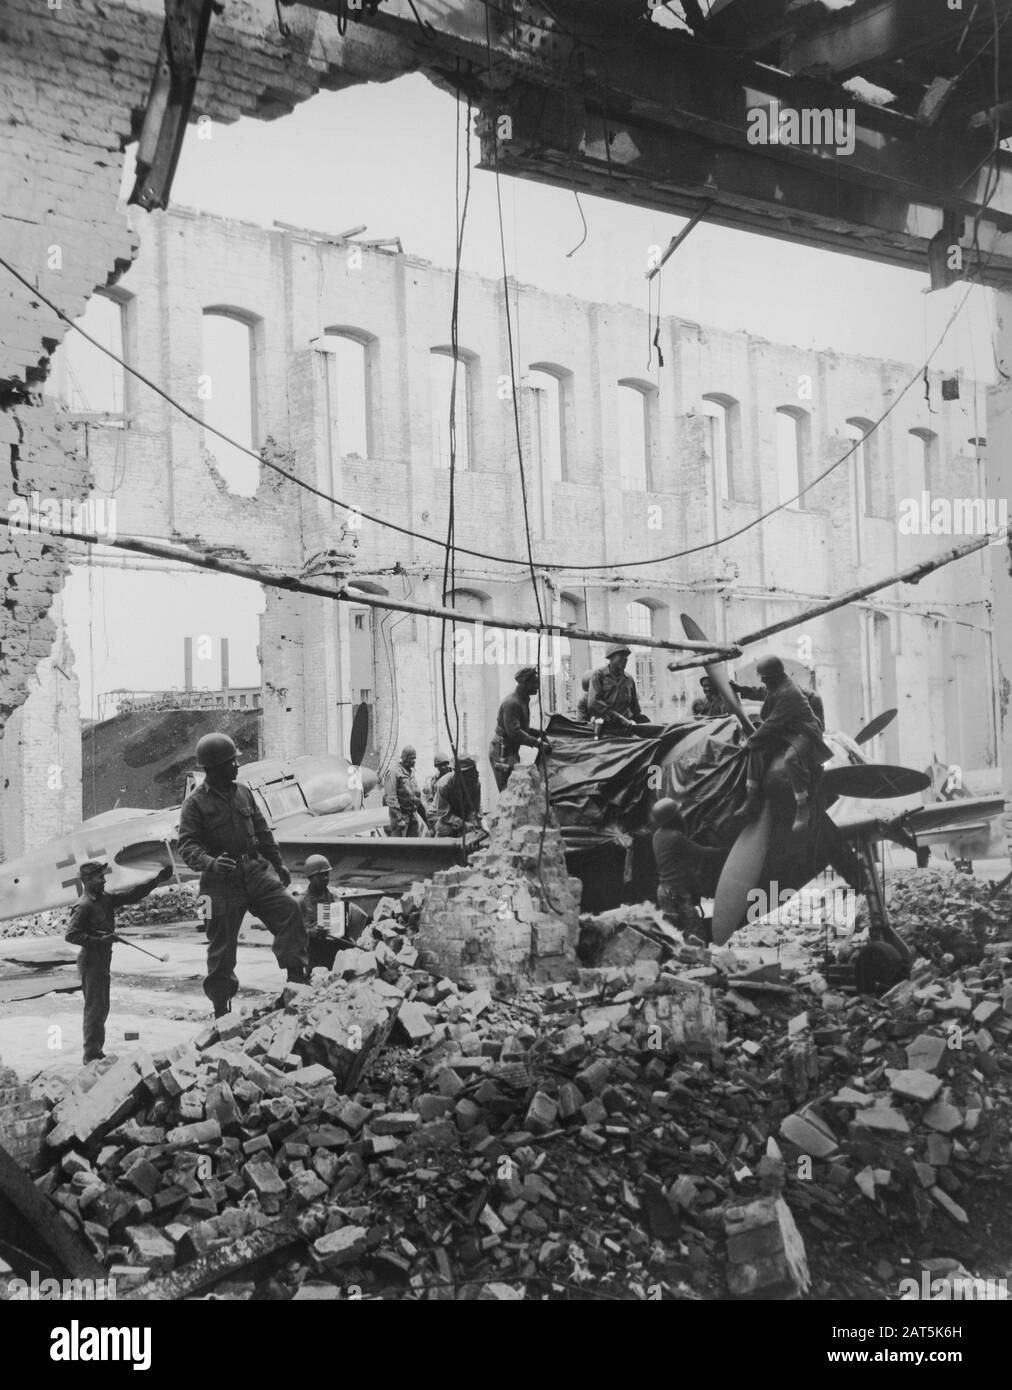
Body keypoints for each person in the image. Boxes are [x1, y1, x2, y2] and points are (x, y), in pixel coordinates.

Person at [177, 732, 309, 1018]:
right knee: (221, 949)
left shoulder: (243, 792)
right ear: (214, 768)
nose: (237, 766)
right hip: (218, 885)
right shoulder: (195, 804)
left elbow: (262, 830)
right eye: (231, 762)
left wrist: (278, 863)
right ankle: (221, 1009)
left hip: (254, 873)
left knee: (289, 910)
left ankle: (296, 980)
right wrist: (211, 862)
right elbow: (187, 846)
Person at [65, 859, 173, 1063]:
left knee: (102, 1008)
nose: (104, 880)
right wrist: (100, 940)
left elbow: (132, 896)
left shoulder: (103, 898)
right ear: (87, 880)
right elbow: (71, 935)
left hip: (103, 959)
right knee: (94, 1010)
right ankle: (91, 1057)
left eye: (104, 876)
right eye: (99, 877)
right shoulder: (84, 905)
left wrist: (157, 880)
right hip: (91, 961)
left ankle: (96, 1052)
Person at [737, 655, 834, 833]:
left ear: (774, 677)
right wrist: (741, 690)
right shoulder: (778, 685)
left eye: (765, 678)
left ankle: (802, 806)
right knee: (756, 750)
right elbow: (764, 692)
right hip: (788, 730)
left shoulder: (789, 693)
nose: (763, 681)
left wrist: (749, 741)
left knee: (791, 760)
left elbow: (772, 723)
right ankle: (751, 798)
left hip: (804, 732)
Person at [650, 800, 724, 943]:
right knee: (696, 934)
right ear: (672, 818)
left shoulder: (657, 835)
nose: (681, 815)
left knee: (673, 934)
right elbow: (700, 852)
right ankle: (699, 963)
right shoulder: (676, 838)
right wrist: (723, 852)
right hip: (677, 893)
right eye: (678, 813)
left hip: (664, 891)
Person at [489, 666, 551, 792]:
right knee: (509, 791)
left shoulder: (523, 700)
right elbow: (515, 733)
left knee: (514, 788)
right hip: (502, 752)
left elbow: (523, 728)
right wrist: (538, 743)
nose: (537, 687)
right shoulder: (512, 703)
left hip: (510, 750)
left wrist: (539, 733)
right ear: (525, 684)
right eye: (535, 683)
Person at [587, 644, 650, 731]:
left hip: (626, 726)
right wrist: (618, 717)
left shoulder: (629, 679)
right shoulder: (599, 675)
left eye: (626, 657)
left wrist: (639, 722)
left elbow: (635, 706)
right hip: (605, 726)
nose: (625, 660)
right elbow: (594, 703)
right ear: (611, 658)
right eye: (621, 656)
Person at [432, 755, 483, 836]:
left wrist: (473, 823)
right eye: (470, 771)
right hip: (446, 819)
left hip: (465, 816)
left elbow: (474, 809)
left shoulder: (475, 783)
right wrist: (463, 824)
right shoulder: (443, 785)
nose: (476, 773)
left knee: (478, 833)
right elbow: (443, 814)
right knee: (445, 831)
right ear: (459, 774)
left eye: (474, 769)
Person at [384, 745, 427, 836]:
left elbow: (416, 797)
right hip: (401, 817)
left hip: (413, 817)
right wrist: (399, 819)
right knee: (400, 847)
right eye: (411, 758)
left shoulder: (411, 774)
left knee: (413, 847)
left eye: (415, 758)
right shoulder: (394, 772)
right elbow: (391, 798)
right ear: (404, 758)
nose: (414, 761)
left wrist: (426, 819)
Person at [422, 751, 452, 819]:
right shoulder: (434, 781)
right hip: (439, 810)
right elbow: (433, 798)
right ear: (437, 767)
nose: (443, 767)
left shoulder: (453, 777)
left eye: (445, 764)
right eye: (440, 765)